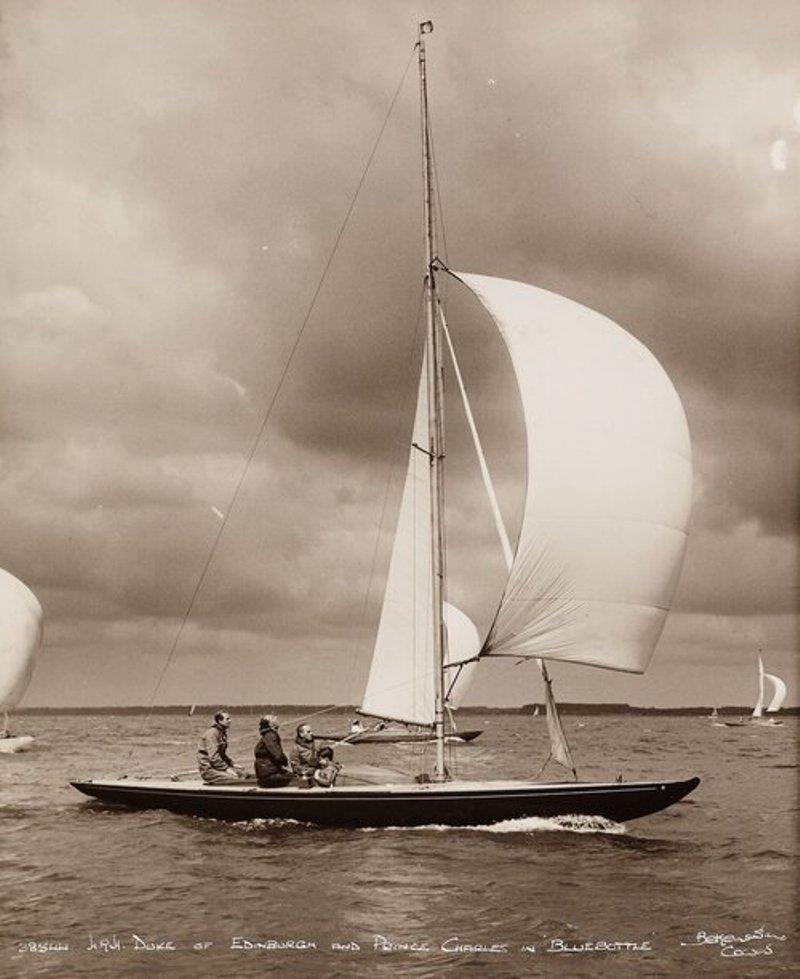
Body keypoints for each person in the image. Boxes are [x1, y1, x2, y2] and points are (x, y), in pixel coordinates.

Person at [197, 710, 244, 783]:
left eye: (230, 718)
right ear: (220, 721)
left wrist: (232, 764)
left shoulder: (221, 733)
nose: (230, 721)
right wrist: (226, 769)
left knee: (243, 774)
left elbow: (222, 755)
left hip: (217, 768)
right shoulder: (212, 734)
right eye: (227, 719)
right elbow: (213, 757)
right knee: (235, 778)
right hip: (208, 770)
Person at [254, 715, 293, 787]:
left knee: (291, 774)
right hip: (269, 775)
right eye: (273, 717)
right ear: (270, 724)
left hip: (266, 772)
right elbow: (278, 755)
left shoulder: (267, 735)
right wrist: (286, 763)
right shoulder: (270, 735)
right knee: (295, 778)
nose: (276, 717)